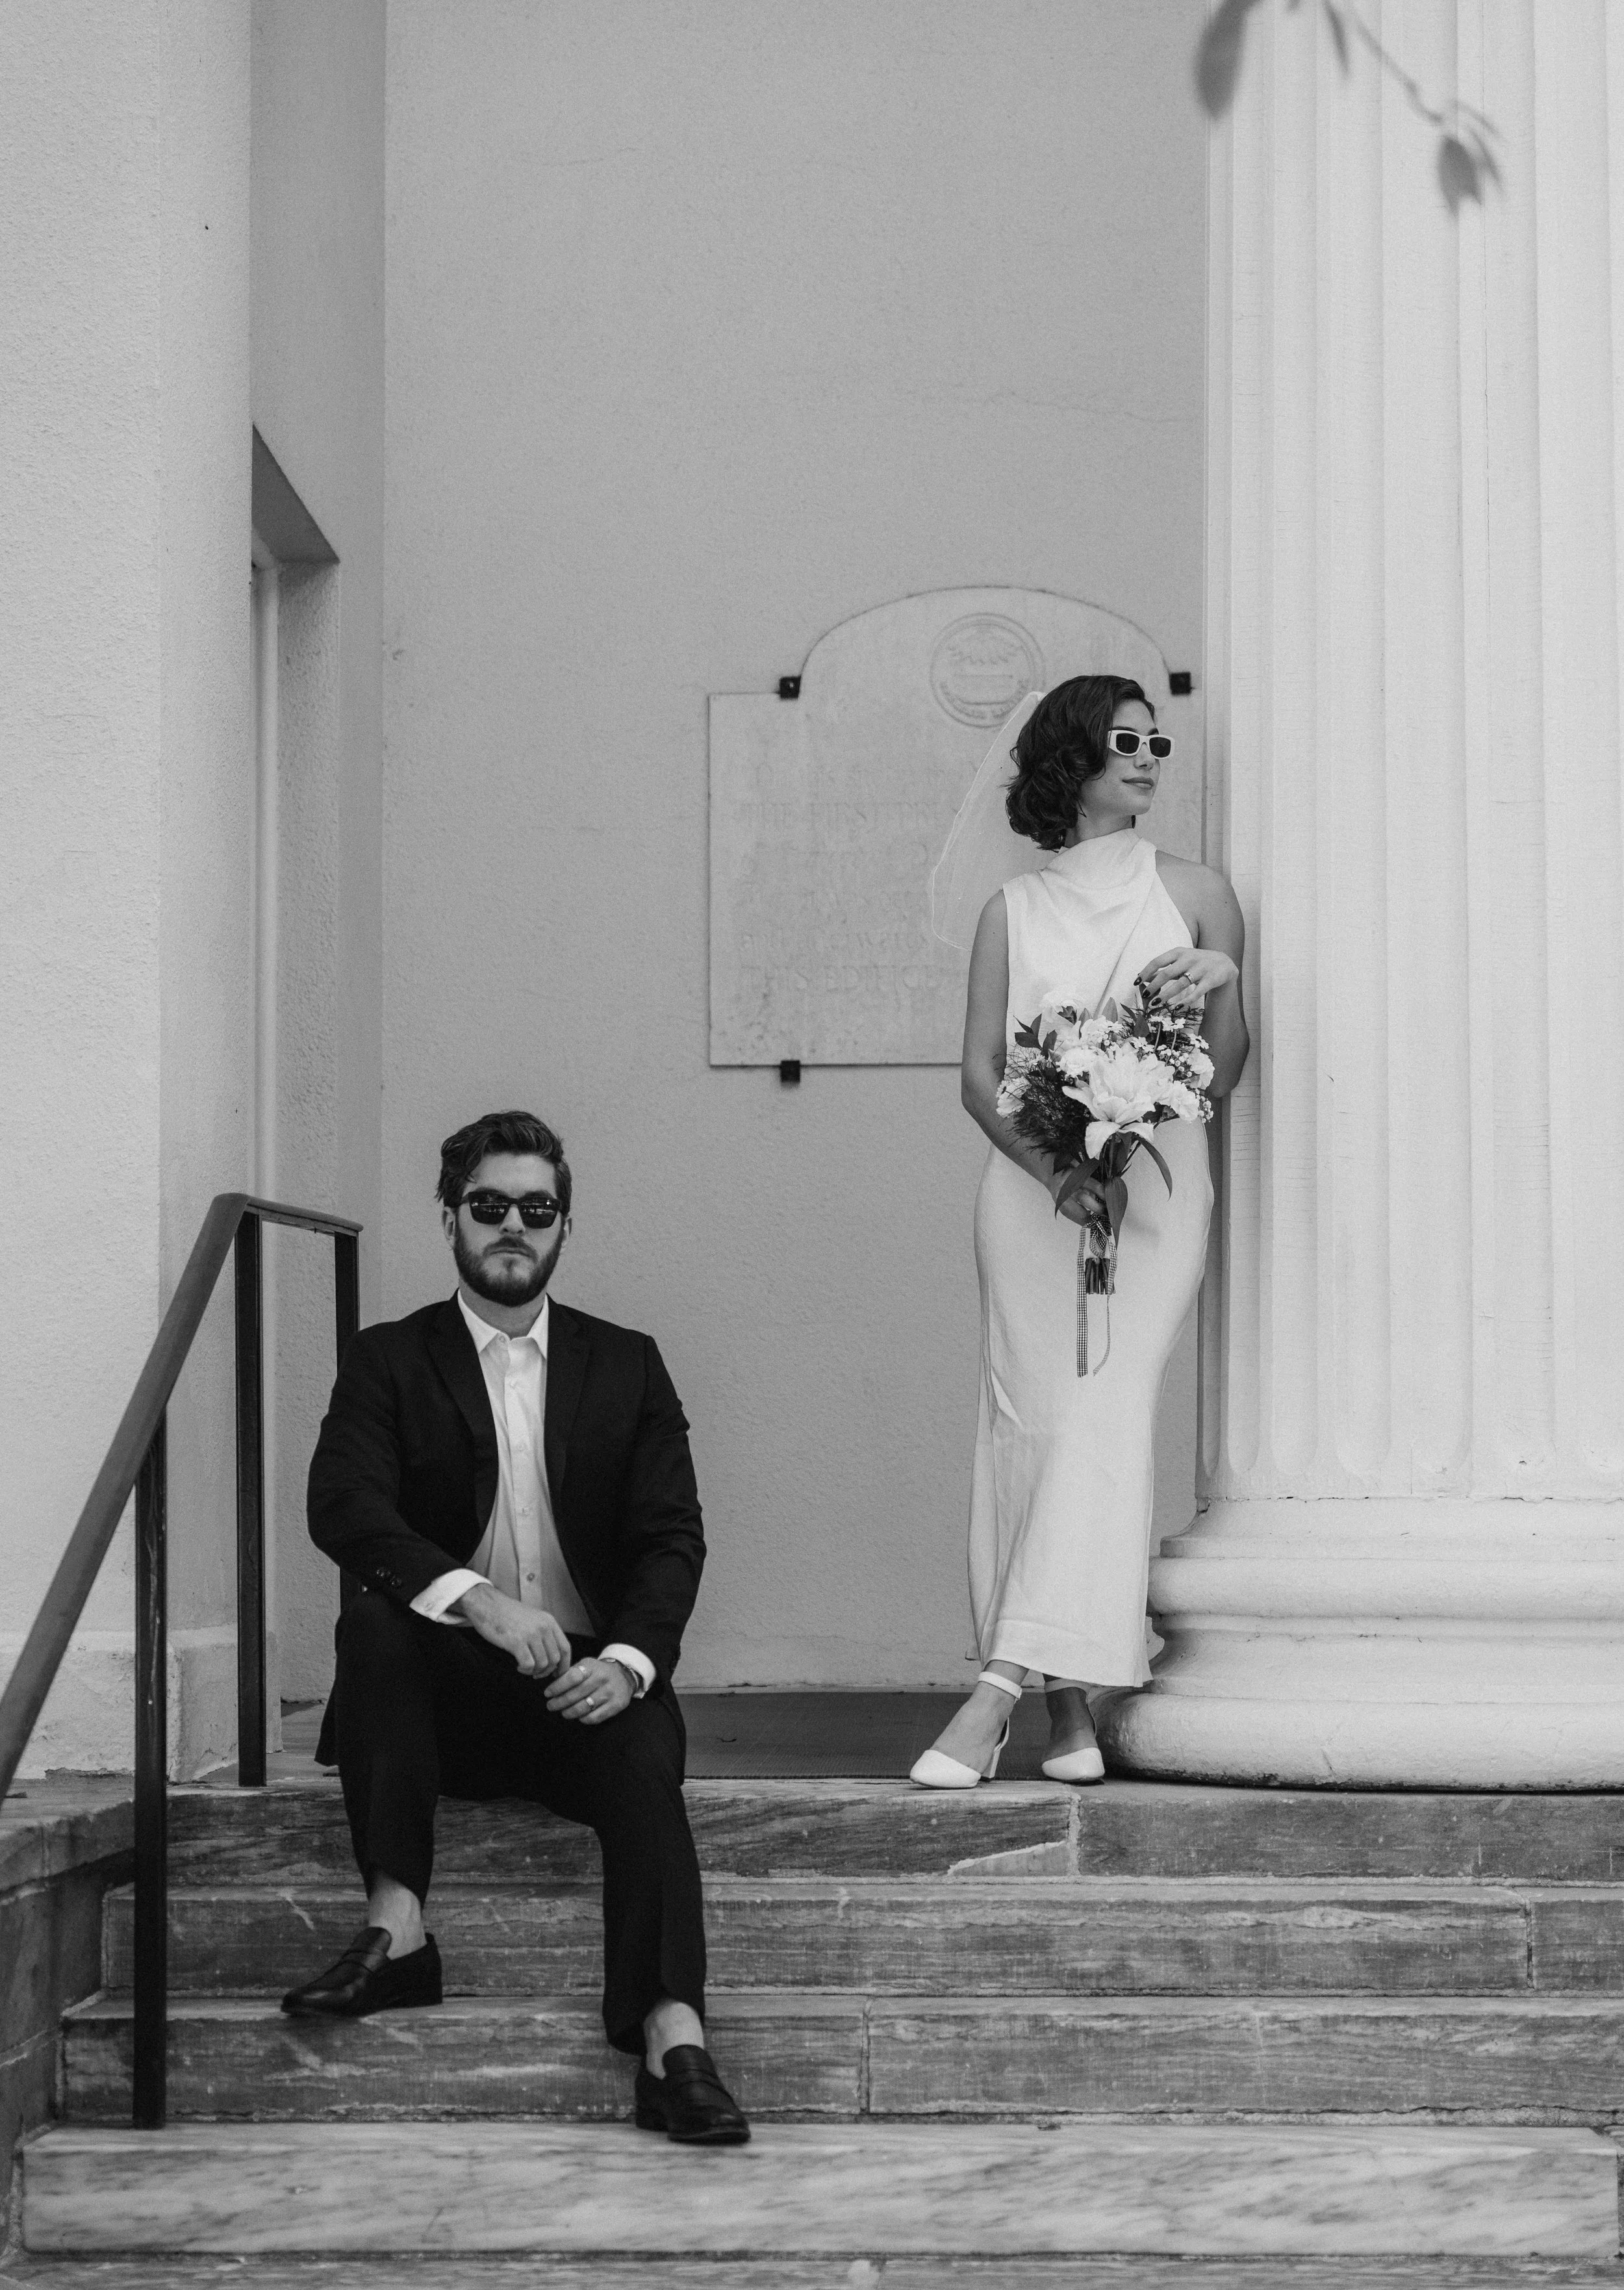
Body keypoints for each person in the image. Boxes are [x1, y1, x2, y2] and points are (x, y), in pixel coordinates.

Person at [281, 1108, 749, 2146]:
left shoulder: (628, 1364)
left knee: (643, 1762)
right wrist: (478, 1602)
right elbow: (344, 1507)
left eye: (538, 1210)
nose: (513, 1227)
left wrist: (628, 1664)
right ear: (450, 1216)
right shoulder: (389, 1360)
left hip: (585, 1691)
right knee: (378, 1620)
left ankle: (674, 2042)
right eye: (489, 1206)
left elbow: (674, 1537)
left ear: (563, 1229)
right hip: (444, 1689)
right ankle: (398, 1933)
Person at [912, 676, 1249, 1789]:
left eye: (1158, 740)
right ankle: (1071, 1716)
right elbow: (977, 1076)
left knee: (1101, 1420)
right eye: (1126, 742)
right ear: (1074, 761)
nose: (1151, 757)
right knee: (1032, 1428)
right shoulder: (1013, 909)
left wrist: (1220, 978)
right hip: (1033, 1194)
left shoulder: (1198, 890)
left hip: (1156, 1193)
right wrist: (1058, 1171)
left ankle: (997, 1686)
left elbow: (1225, 1069)